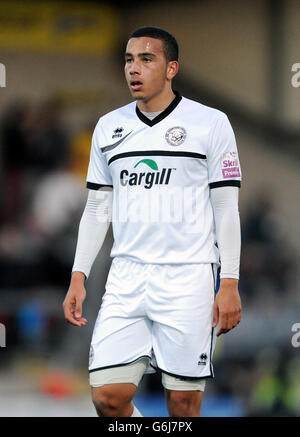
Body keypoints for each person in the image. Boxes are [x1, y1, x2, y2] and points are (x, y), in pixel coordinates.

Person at [62, 26, 242, 417]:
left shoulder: (210, 123)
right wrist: (79, 276)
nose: (134, 68)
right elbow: (96, 209)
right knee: (107, 397)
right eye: (129, 59)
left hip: (189, 278)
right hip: (126, 277)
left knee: (182, 404)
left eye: (147, 59)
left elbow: (227, 208)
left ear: (171, 68)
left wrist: (229, 282)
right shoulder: (109, 127)